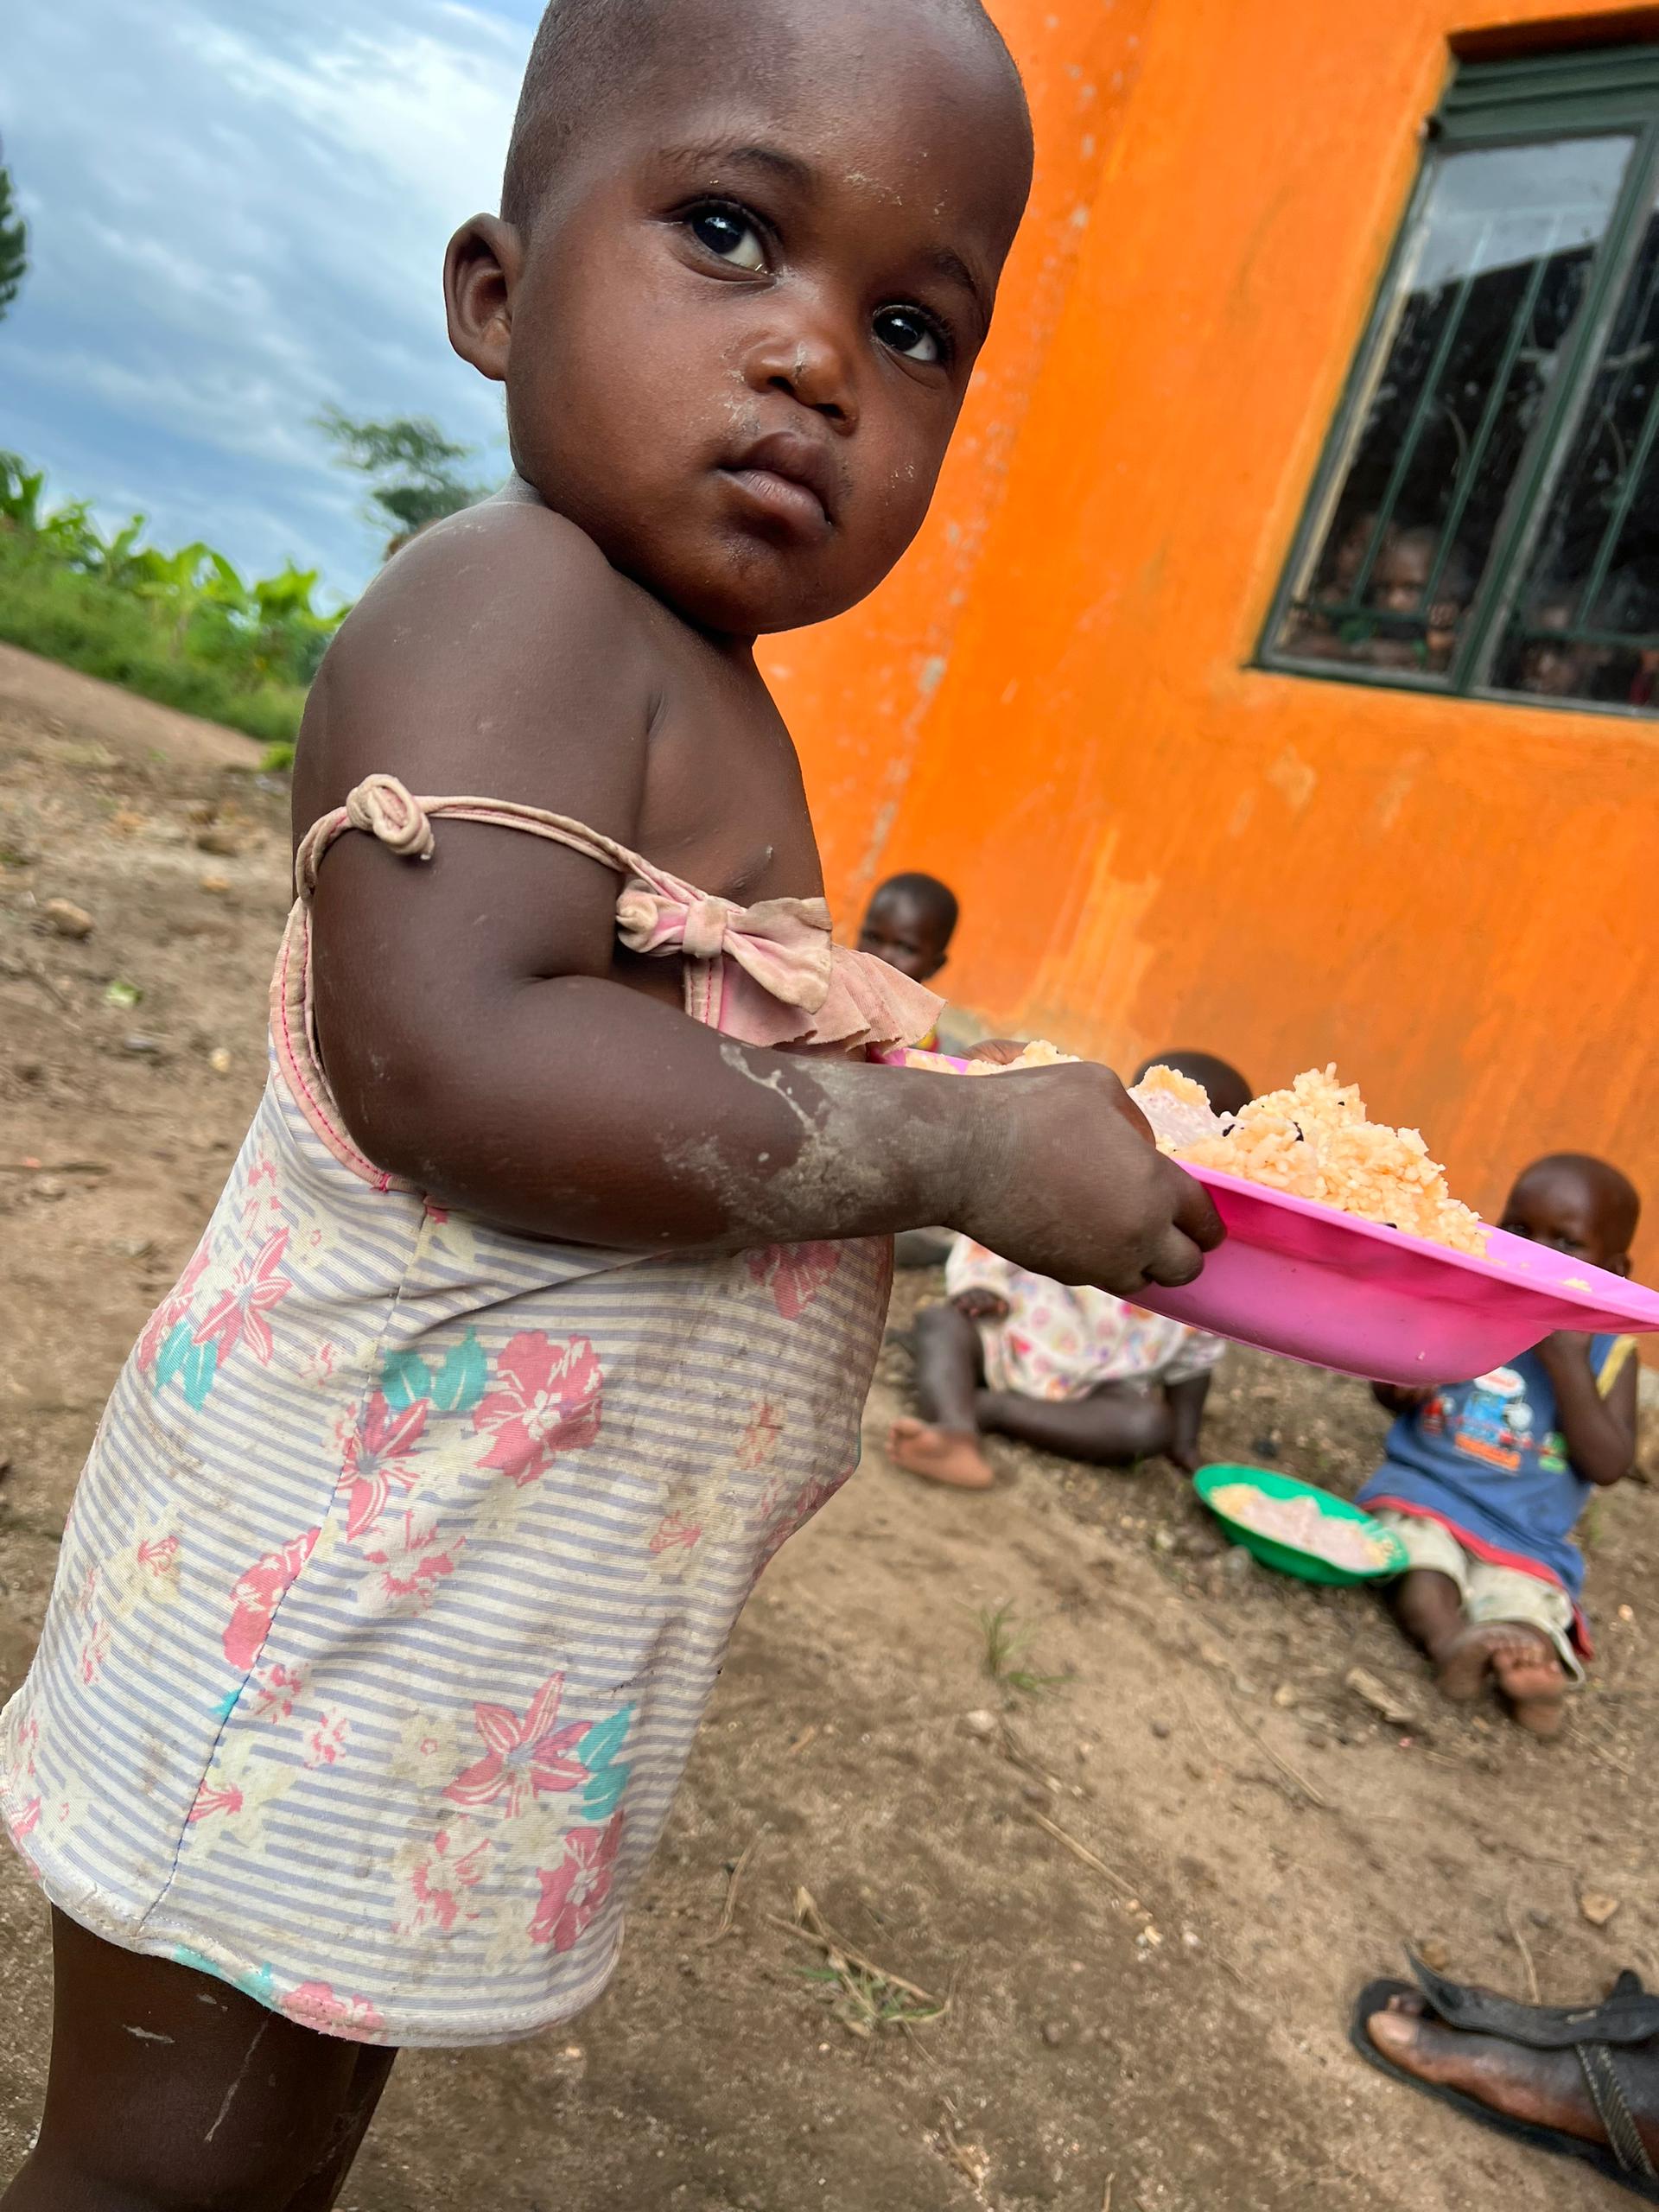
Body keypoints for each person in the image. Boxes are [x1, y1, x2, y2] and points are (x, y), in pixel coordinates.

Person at [0, 3, 1224, 2205]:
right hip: (322, 1605)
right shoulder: (512, 602)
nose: (820, 359)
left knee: (266, 2153)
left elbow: (697, 1055)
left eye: (915, 327)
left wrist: (993, 1106)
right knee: (151, 2172)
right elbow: (451, 1053)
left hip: (464, 1630)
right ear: (496, 292)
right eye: (732, 232)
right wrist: (953, 1150)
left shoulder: (694, 682)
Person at [1357, 1152, 1640, 1738]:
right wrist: (1403, 1379)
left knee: (1525, 1603)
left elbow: (1609, 1464)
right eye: (1519, 1229)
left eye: (1567, 1242)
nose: (1537, 1252)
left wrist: (1569, 1363)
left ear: (1614, 1269)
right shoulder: (1468, 1300)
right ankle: (1451, 1644)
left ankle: (1531, 1672)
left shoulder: (1611, 1351)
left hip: (1525, 1537)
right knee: (1421, 1566)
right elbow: (1389, 1387)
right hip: (1428, 1495)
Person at [888, 1052, 1251, 1489]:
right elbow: (995, 1228)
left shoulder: (1211, 1241)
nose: (1178, 1141)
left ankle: (984, 1410)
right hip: (1007, 1337)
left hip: (1097, 1388)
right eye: (1159, 1116)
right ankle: (954, 1430)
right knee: (942, 1323)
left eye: (1205, 1130)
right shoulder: (1085, 1176)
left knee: (1149, 1425)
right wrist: (982, 1286)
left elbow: (1195, 1360)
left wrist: (1184, 1443)